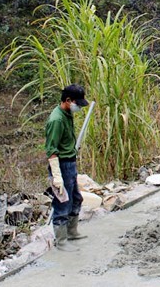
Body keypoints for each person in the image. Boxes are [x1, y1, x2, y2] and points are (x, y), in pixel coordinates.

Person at [45, 84, 89, 252]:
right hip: (61, 165)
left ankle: (72, 231)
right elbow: (51, 150)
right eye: (77, 103)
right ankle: (61, 241)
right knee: (63, 202)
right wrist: (57, 176)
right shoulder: (56, 120)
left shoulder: (66, 113)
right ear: (68, 100)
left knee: (76, 198)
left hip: (70, 162)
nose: (78, 107)